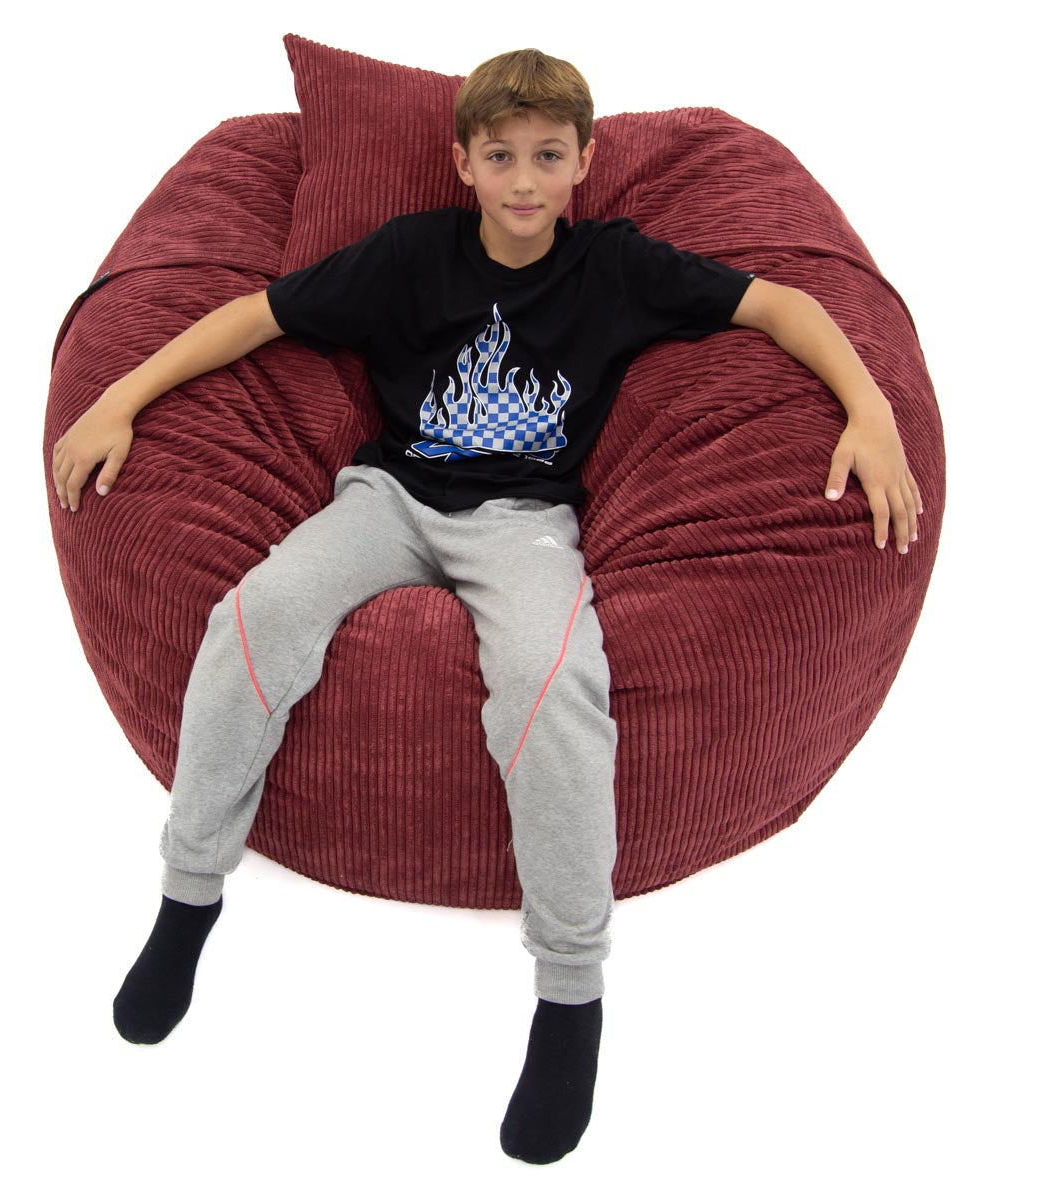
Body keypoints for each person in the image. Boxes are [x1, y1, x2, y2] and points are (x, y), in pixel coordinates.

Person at [51, 48, 923, 1165]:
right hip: (389, 497)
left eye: (547, 157)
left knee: (555, 687)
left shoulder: (615, 266)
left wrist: (870, 407)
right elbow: (256, 319)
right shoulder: (413, 255)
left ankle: (570, 1000)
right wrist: (120, 396)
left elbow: (785, 301)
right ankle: (186, 905)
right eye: (500, 156)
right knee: (250, 623)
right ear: (462, 161)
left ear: (583, 164)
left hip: (526, 523)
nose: (523, 181)